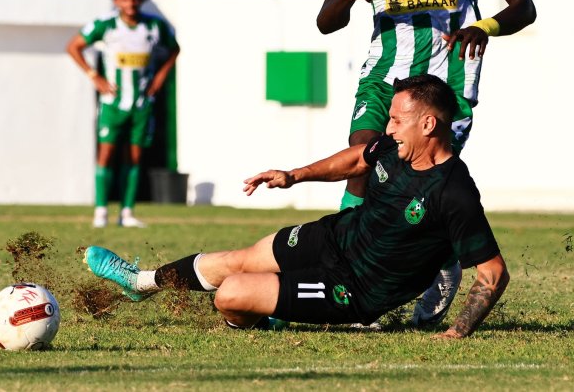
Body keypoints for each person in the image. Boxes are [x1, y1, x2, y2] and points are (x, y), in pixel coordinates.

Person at [85, 75, 509, 337]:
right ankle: (140, 283)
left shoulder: (454, 192)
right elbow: (357, 158)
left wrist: (458, 330)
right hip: (336, 236)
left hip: (355, 291)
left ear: (429, 124)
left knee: (231, 295)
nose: (388, 127)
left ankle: (263, 314)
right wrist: (294, 175)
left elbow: (493, 273)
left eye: (397, 120)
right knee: (241, 260)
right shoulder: (393, 146)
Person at [318, 0, 535, 323]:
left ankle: (445, 264)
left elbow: (524, 6)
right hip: (383, 77)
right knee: (362, 164)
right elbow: (325, 21)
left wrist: (485, 25)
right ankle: (351, 281)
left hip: (445, 83)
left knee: (424, 187)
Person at [67, 0, 180, 228]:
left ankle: (127, 212)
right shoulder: (105, 25)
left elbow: (174, 49)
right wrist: (94, 76)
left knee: (134, 157)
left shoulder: (154, 26)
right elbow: (73, 46)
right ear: (116, 0)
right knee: (106, 154)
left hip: (141, 104)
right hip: (113, 103)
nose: (130, 3)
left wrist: (160, 77)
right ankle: (101, 212)